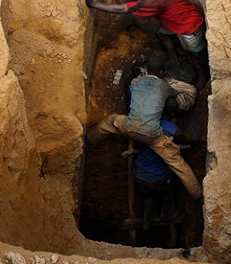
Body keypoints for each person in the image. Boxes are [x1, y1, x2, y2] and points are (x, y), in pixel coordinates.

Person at [86, 57, 203, 199]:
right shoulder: (164, 87)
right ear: (162, 73)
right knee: (178, 164)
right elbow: (175, 94)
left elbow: (132, 92)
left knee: (110, 121)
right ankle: (197, 194)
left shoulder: (136, 82)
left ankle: (90, 138)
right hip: (152, 136)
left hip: (129, 126)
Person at [84, 0, 208, 79]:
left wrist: (93, 4)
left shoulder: (151, 2)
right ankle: (173, 57)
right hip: (185, 16)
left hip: (190, 27)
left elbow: (120, 9)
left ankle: (204, 73)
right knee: (162, 33)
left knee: (197, 51)